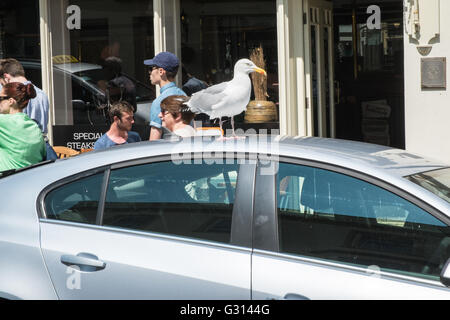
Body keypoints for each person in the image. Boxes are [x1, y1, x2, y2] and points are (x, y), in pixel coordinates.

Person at [0, 58, 57, 160]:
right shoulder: (41, 93)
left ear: (6, 77)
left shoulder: (13, 98)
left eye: (2, 84)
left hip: (23, 150)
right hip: (43, 146)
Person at [0, 82, 46, 172]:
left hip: (6, 182)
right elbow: (43, 154)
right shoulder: (34, 126)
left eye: (0, 99)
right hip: (29, 180)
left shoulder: (3, 122)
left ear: (10, 101)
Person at [144, 52, 186, 140]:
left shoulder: (159, 102)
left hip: (167, 150)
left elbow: (154, 141)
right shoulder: (184, 95)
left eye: (151, 68)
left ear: (161, 71)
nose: (149, 72)